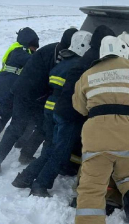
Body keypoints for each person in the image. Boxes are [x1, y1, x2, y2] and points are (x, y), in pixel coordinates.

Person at [73, 35, 129, 224]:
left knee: (92, 185)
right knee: (127, 173)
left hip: (97, 133)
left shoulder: (87, 74)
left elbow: (79, 107)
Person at [11, 30, 93, 197]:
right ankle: (40, 185)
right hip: (66, 112)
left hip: (50, 108)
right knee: (60, 152)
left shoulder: (62, 63)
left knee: (49, 147)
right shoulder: (79, 67)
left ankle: (25, 177)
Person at [0, 28, 78, 175]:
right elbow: (52, 78)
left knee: (43, 127)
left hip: (39, 96)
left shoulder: (59, 50)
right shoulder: (53, 52)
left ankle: (26, 154)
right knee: (16, 127)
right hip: (25, 93)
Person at [0, 27, 39, 162]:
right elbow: (33, 62)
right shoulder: (18, 50)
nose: (35, 50)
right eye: (35, 47)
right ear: (29, 43)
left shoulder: (24, 51)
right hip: (3, 92)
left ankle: (20, 141)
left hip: (11, 93)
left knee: (18, 122)